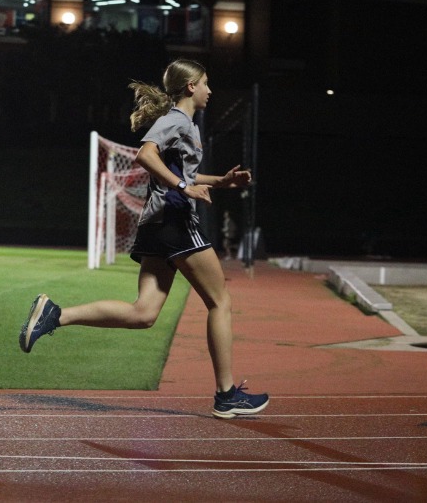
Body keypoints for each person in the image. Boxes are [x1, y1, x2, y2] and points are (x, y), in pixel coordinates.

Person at [19, 59, 267, 419]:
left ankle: (56, 315)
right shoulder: (176, 121)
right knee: (220, 302)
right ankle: (226, 395)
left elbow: (182, 172)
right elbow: (145, 155)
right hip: (176, 222)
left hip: (157, 225)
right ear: (190, 87)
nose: (211, 91)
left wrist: (220, 182)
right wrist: (184, 186)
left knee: (144, 313)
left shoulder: (185, 125)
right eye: (206, 84)